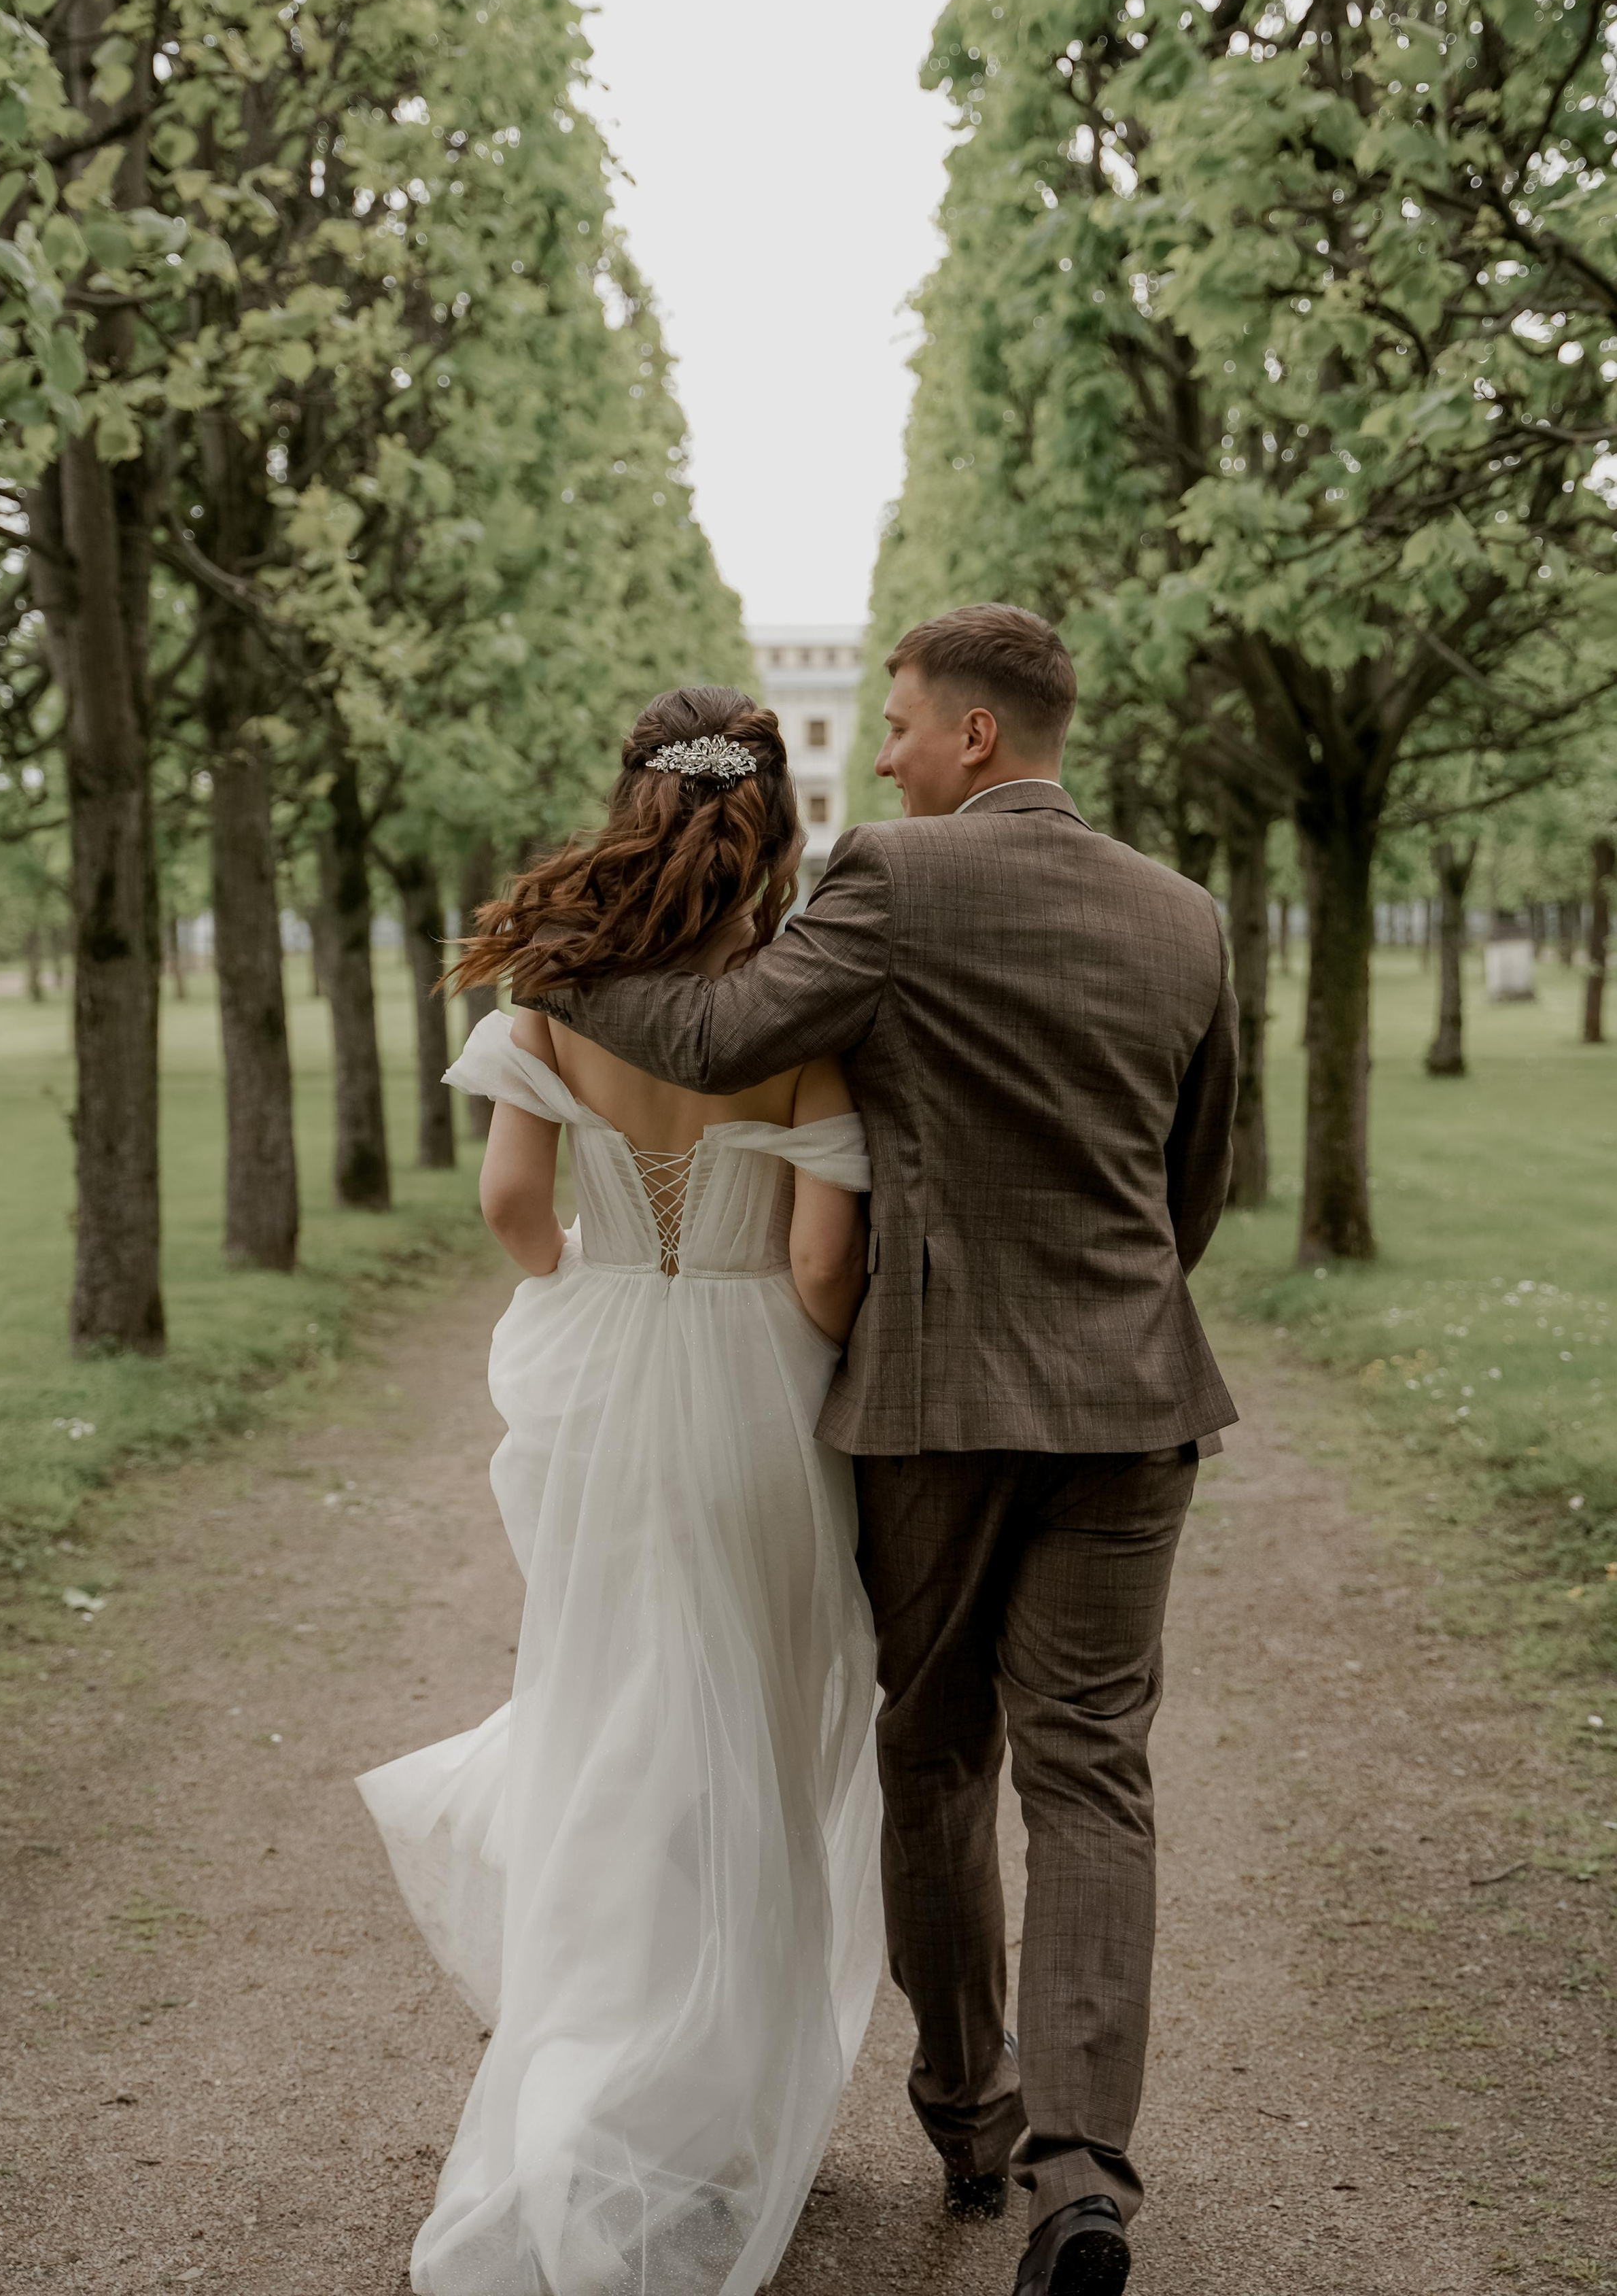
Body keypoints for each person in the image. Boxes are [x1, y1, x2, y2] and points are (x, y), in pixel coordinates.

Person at [524, 604, 1239, 2296]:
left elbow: (718, 1040)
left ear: (973, 734)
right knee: (1092, 1774)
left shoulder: (890, 879)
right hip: (1132, 1401)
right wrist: (1112, 1316)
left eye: (903, 723)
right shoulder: (1186, 915)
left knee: (933, 1757)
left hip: (931, 1408)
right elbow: (1194, 1180)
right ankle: (1080, 2182)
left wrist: (553, 955)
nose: (891, 754)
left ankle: (972, 2117)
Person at [356, 687, 883, 2296]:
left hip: (603, 1375)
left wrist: (597, 1268)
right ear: (770, 822)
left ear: (629, 801)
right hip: (754, 1389)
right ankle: (711, 2102)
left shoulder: (551, 997)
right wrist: (774, 1341)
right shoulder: (793, 1013)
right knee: (751, 1737)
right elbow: (821, 1269)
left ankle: (591, 2073)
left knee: (611, 1711)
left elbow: (514, 1211)